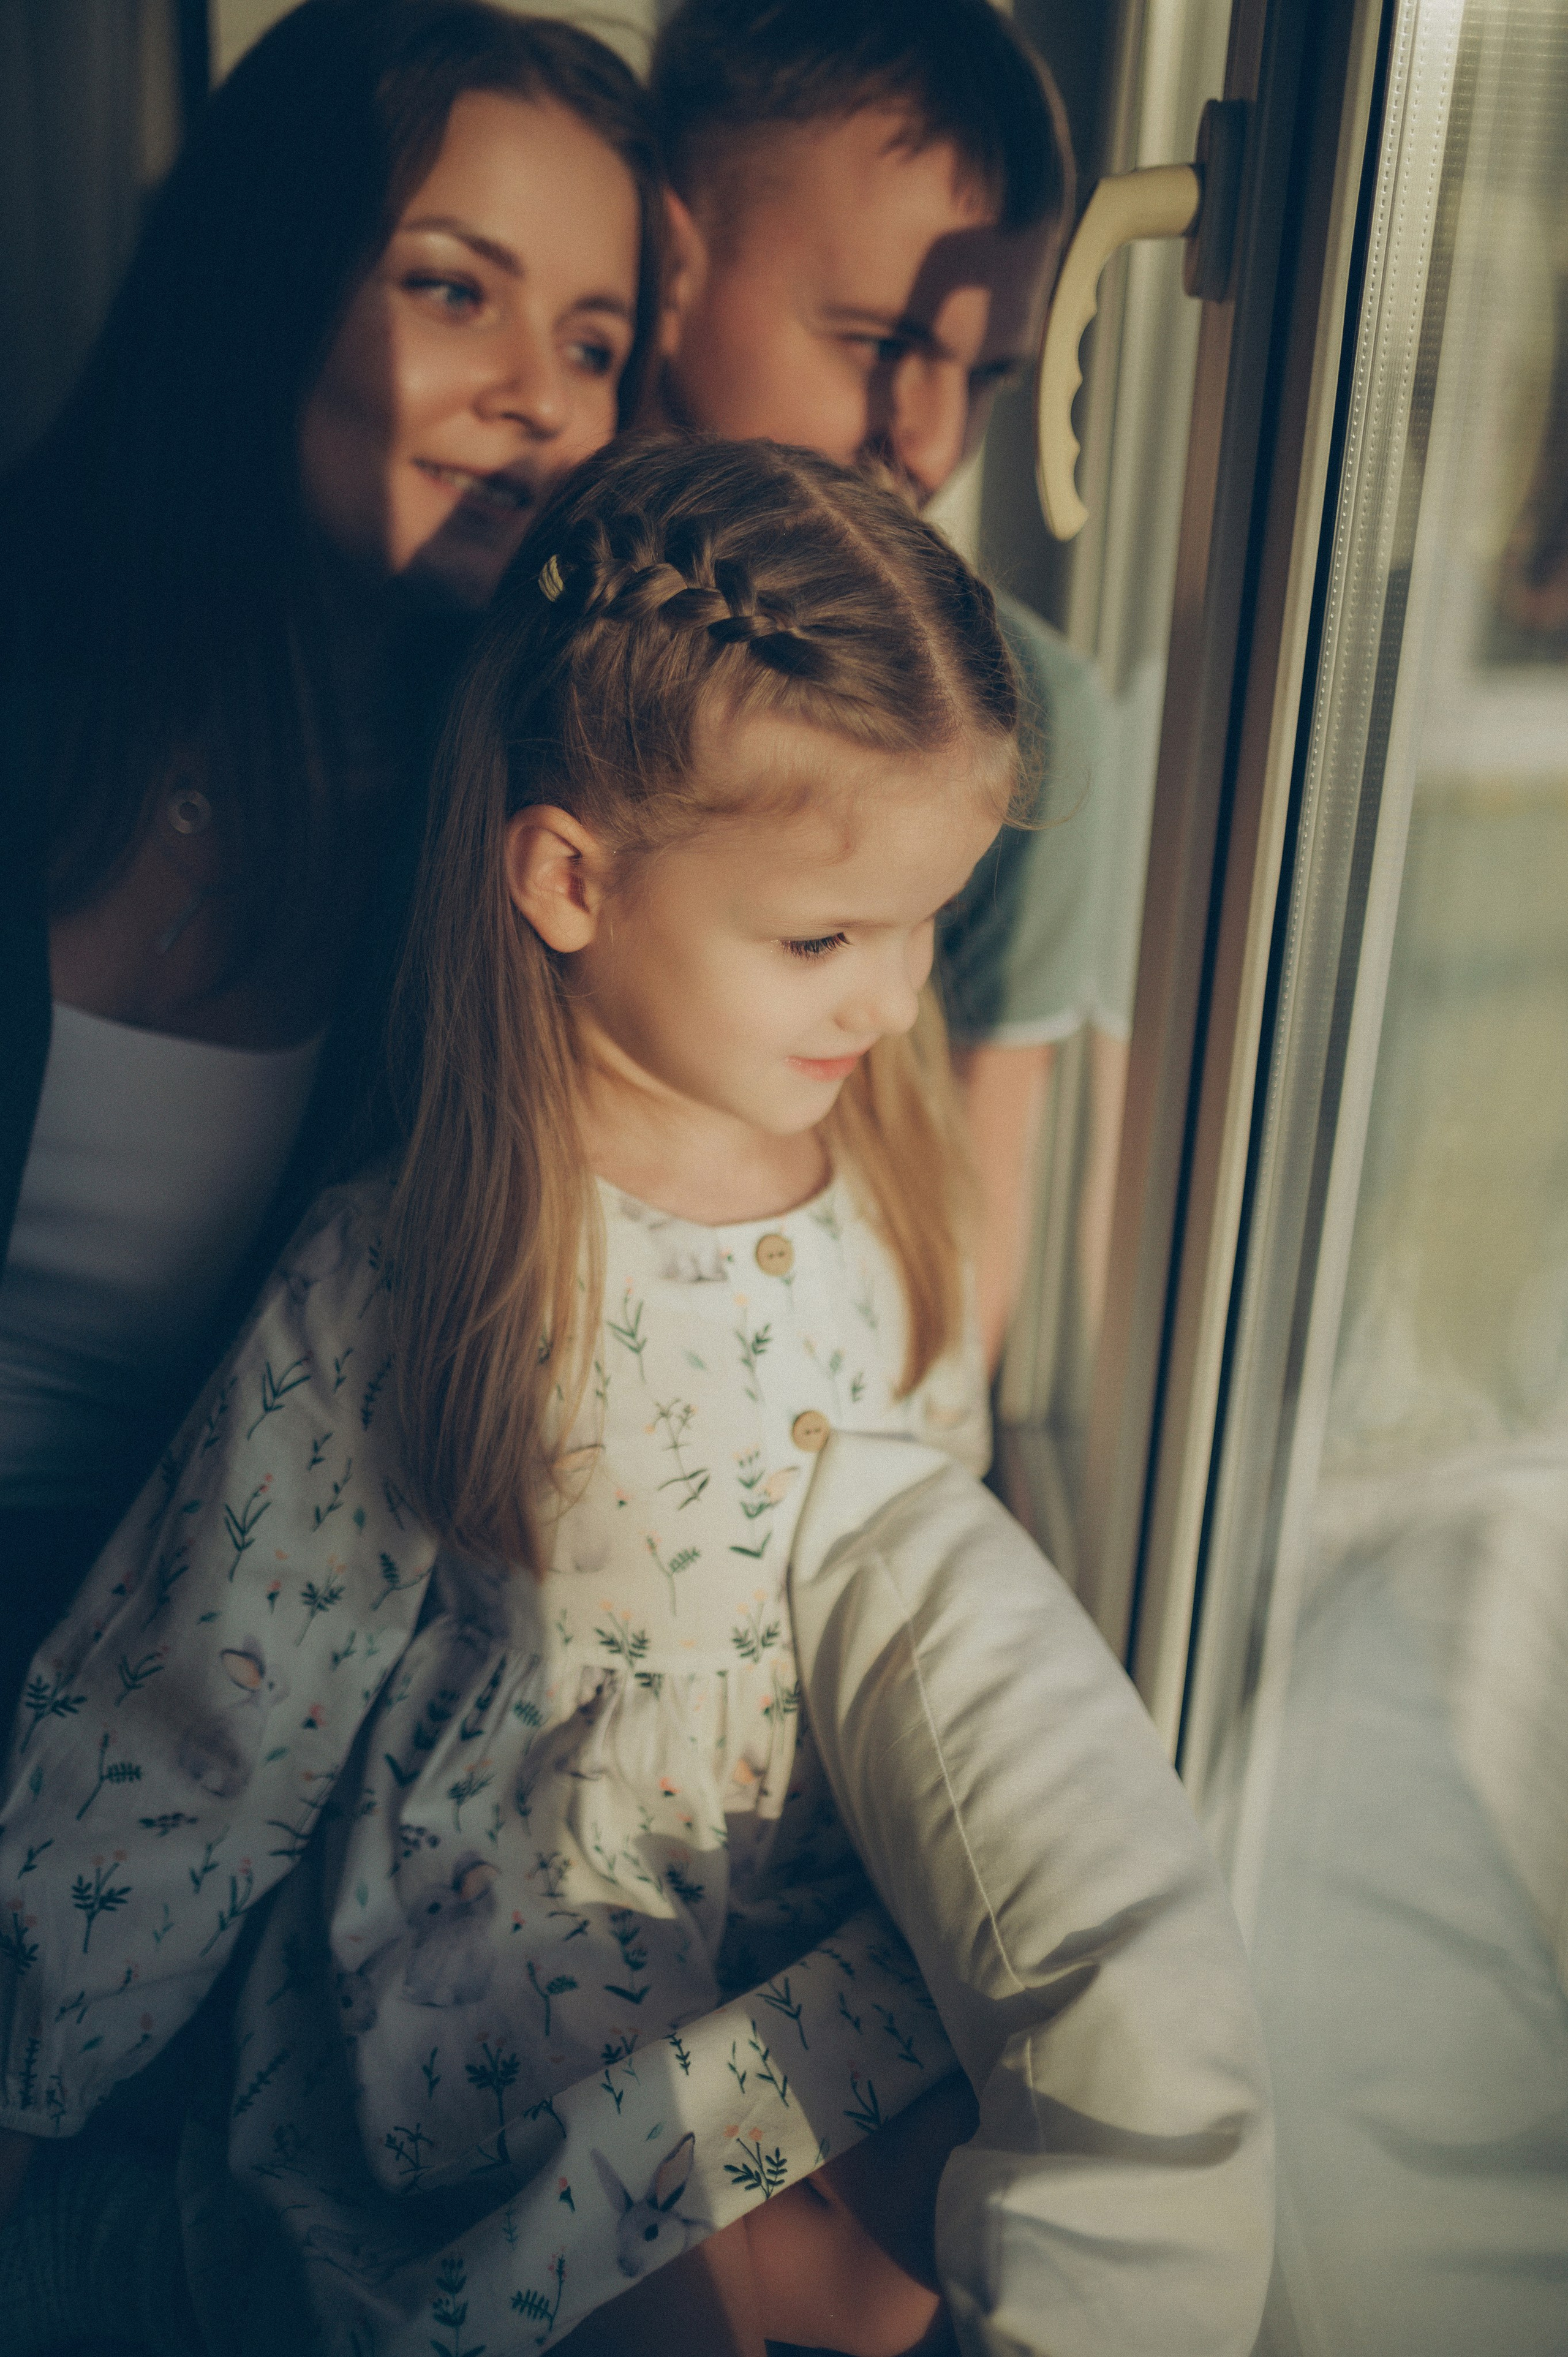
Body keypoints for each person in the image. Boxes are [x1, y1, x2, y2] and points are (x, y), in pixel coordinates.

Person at [0, 434, 1019, 2356]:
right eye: (824, 937)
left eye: (925, 925)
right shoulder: (432, 1266)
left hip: (805, 1926)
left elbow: (927, 1561)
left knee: (952, 2257)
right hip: (524, 1989)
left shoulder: (885, 1169)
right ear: (570, 878)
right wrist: (29, 2082)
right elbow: (203, 1711)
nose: (890, 1000)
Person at [0, 0, 663, 1703]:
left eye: (593, 345)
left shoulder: (509, 841)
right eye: (456, 288)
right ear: (263, 283)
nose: (537, 400)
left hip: (128, 1692)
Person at [648, 0, 1122, 1367]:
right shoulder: (487, 601)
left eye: (985, 374)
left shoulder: (1020, 724)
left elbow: (964, 1265)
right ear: (673, 260)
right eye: (872, 340)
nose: (924, 437)